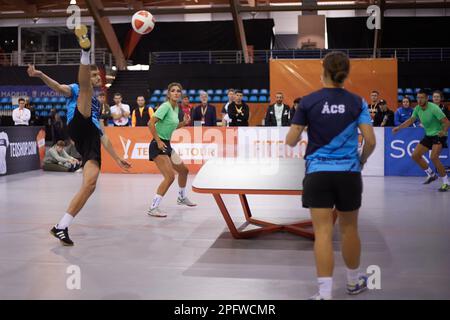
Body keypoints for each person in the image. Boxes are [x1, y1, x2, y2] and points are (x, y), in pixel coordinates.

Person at [27, 25, 131, 246]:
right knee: (84, 91)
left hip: (90, 137)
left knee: (90, 184)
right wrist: (40, 74)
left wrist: (117, 158)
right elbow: (56, 87)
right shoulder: (78, 88)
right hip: (76, 123)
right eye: (92, 74)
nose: (95, 77)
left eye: (96, 75)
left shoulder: (99, 103)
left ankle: (61, 226)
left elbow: (102, 135)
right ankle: (85, 50)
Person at [286, 51, 376, 300]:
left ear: (322, 69)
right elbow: (369, 140)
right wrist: (361, 160)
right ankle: (353, 283)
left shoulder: (308, 102)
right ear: (346, 73)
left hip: (317, 174)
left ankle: (325, 294)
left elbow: (291, 141)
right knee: (349, 230)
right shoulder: (358, 102)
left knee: (323, 233)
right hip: (348, 174)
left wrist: (302, 126)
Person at [147, 82, 196, 217]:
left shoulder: (175, 108)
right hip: (158, 145)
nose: (176, 93)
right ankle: (153, 207)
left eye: (178, 91)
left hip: (167, 145)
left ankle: (181, 197)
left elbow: (172, 127)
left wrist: (184, 123)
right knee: (169, 177)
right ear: (168, 94)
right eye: (173, 91)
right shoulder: (165, 106)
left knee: (184, 171)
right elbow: (150, 123)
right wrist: (157, 141)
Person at [393, 89, 450, 191]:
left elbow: (446, 122)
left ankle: (446, 182)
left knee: (433, 157)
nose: (419, 100)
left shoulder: (434, 108)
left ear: (427, 98)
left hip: (439, 134)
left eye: (422, 98)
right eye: (418, 98)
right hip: (428, 135)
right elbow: (411, 120)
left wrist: (443, 131)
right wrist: (399, 127)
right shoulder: (417, 108)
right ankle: (431, 174)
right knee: (415, 155)